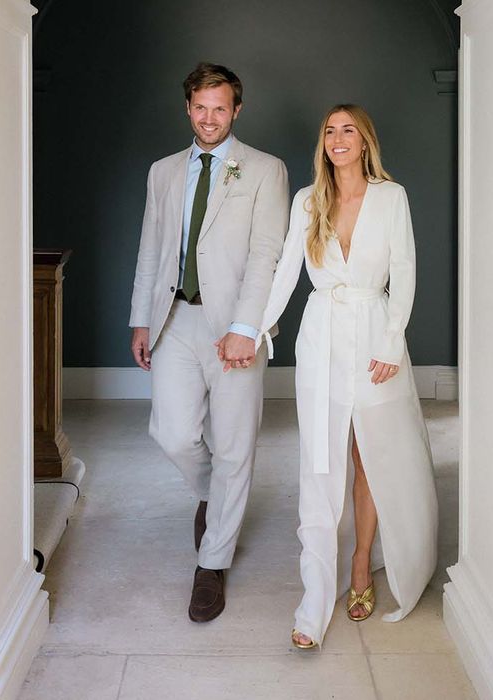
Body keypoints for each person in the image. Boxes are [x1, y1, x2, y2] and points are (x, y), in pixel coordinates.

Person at [253, 104, 438, 648]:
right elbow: (288, 267)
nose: (337, 138)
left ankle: (361, 565)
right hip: (322, 337)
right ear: (324, 144)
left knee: (370, 453)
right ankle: (313, 598)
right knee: (321, 457)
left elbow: (404, 271)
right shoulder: (308, 201)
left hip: (376, 333)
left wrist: (392, 342)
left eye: (347, 130)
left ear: (364, 141)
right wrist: (256, 329)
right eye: (329, 131)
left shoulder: (391, 197)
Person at [129, 63, 289, 622]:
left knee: (236, 445)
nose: (209, 117)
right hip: (175, 319)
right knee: (171, 432)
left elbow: (268, 251)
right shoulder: (164, 172)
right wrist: (141, 320)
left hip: (233, 325)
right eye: (200, 107)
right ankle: (214, 497)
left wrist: (246, 329)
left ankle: (212, 562)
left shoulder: (266, 170)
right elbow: (152, 248)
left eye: (220, 108)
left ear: (236, 110)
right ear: (188, 108)